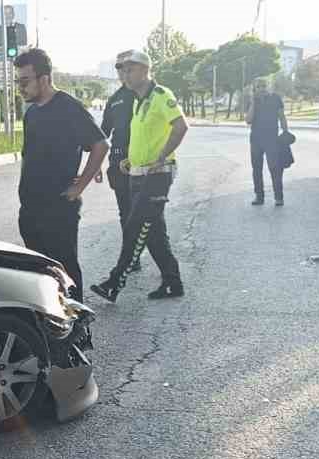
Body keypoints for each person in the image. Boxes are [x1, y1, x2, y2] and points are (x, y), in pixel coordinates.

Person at [91, 49, 189, 303]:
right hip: (137, 172)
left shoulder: (160, 95)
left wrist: (162, 156)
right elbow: (145, 138)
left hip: (157, 175)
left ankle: (114, 283)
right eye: (122, 69)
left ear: (145, 70)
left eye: (130, 68)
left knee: (134, 228)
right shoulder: (137, 101)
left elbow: (181, 127)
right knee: (154, 233)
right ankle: (172, 282)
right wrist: (129, 161)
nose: (125, 73)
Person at [14, 48, 108, 302]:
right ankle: (52, 325)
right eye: (18, 82)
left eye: (25, 81)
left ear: (44, 79)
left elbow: (99, 144)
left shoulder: (68, 107)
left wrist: (79, 187)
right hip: (30, 209)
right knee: (39, 272)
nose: (20, 88)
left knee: (64, 270)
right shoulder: (31, 113)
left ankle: (77, 328)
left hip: (58, 208)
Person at [98, 50, 140, 251]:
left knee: (149, 214)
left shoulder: (146, 94)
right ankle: (131, 256)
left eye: (126, 67)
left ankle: (166, 267)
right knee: (126, 212)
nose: (122, 71)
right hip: (118, 162)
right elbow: (103, 133)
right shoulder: (114, 99)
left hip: (143, 162)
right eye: (119, 67)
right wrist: (96, 162)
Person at [246, 78, 290, 206]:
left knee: (275, 168)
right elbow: (248, 120)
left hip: (272, 139)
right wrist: (254, 103)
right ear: (255, 89)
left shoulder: (276, 98)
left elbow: (282, 116)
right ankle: (259, 197)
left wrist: (285, 132)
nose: (262, 88)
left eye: (264, 86)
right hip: (256, 139)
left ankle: (279, 197)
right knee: (256, 169)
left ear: (268, 86)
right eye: (259, 86)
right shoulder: (253, 101)